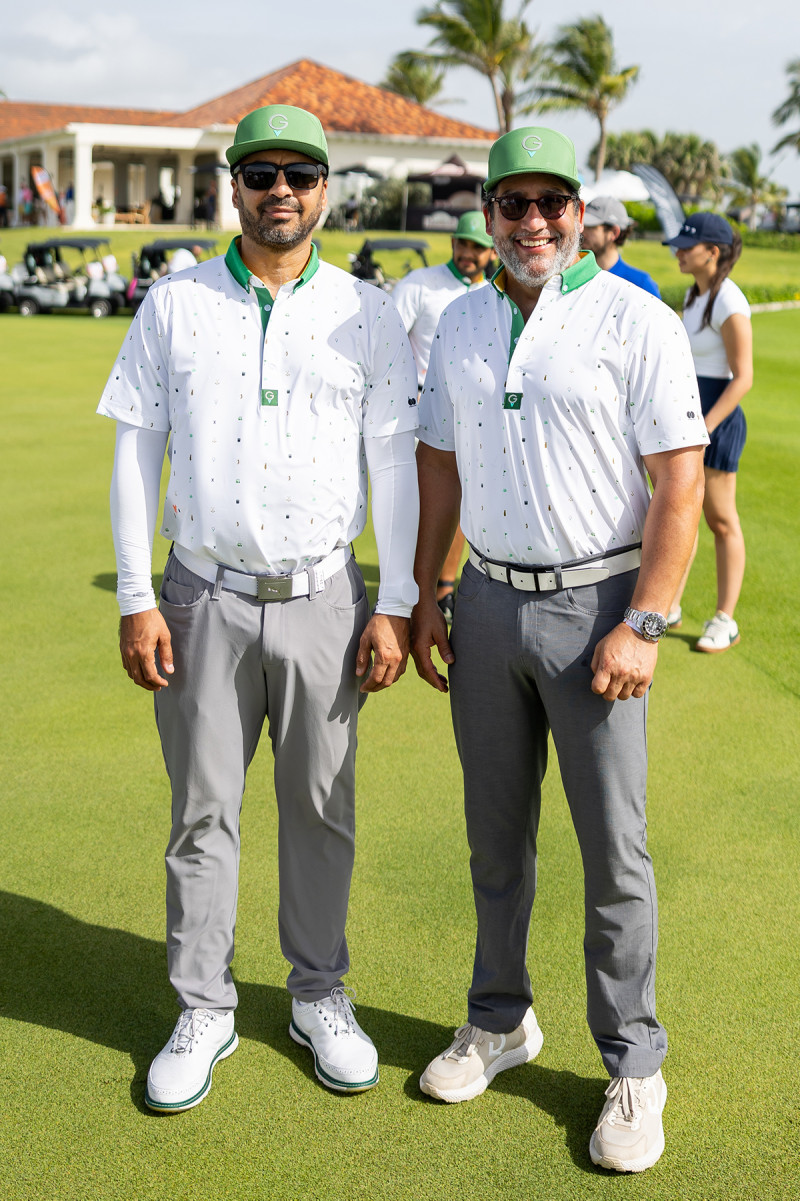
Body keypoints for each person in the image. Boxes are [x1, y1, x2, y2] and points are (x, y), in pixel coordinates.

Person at [97, 103, 420, 1113]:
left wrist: (398, 600)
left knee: (321, 811)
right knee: (203, 813)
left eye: (300, 175)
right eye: (260, 173)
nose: (280, 190)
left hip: (325, 592)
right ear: (231, 184)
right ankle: (205, 1004)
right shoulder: (175, 301)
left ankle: (318, 990)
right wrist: (137, 595)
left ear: (325, 190)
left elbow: (392, 462)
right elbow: (134, 449)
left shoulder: (365, 313)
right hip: (201, 593)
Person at [411, 126, 708, 1174]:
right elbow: (437, 463)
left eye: (550, 204)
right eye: (510, 204)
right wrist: (426, 588)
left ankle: (632, 1058)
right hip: (485, 596)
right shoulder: (456, 321)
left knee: (612, 855)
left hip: (597, 608)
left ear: (580, 212)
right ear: (486, 214)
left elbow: (678, 478)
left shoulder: (633, 317)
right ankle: (498, 1020)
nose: (530, 222)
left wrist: (645, 620)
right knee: (495, 841)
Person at [391, 211, 495, 622]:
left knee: (463, 500)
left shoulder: (496, 292)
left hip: (472, 415)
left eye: (477, 247)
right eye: (463, 244)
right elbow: (389, 345)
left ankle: (446, 585)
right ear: (453, 243)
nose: (468, 253)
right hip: (417, 412)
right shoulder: (420, 285)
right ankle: (412, 585)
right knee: (418, 505)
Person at [662, 213, 752, 651]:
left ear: (712, 252)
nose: (678, 251)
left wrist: (705, 427)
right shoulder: (694, 294)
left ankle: (725, 619)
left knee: (720, 519)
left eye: (687, 245)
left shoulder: (729, 301)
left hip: (715, 419)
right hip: (691, 416)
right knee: (681, 512)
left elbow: (743, 377)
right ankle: (671, 604)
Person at [580, 196, 660, 296]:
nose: (581, 230)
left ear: (614, 233)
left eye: (591, 227)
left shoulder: (640, 285)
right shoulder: (572, 277)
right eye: (581, 224)